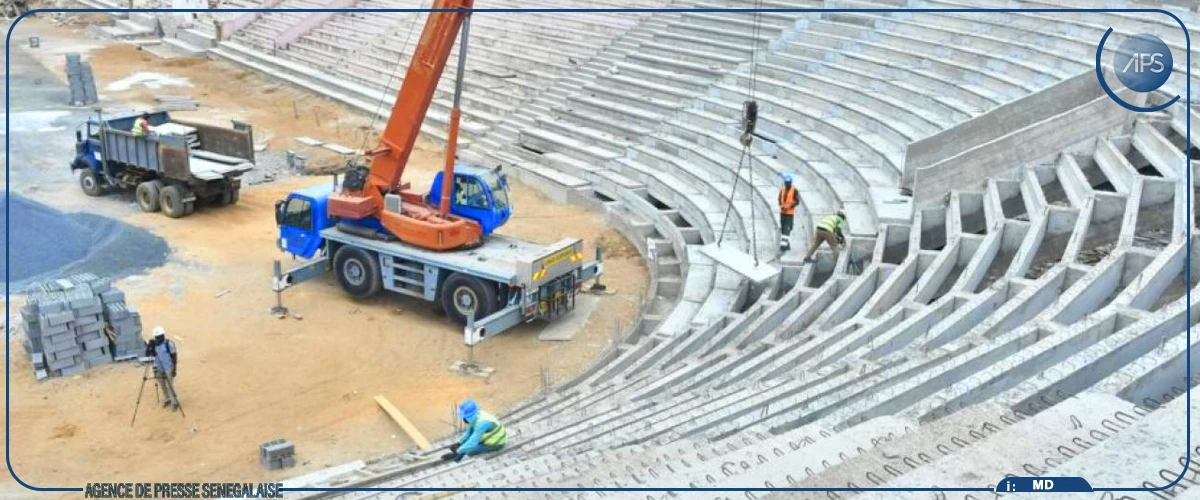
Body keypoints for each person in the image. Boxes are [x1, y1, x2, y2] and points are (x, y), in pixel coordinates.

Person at [440, 399, 507, 462]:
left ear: (469, 415)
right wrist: (460, 443)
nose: (463, 419)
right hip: (486, 439)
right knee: (465, 446)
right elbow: (469, 432)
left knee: (470, 451)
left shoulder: (482, 424)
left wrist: (458, 452)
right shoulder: (476, 415)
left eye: (464, 417)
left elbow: (472, 442)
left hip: (496, 443)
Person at [144, 326, 179, 411]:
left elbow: (174, 356)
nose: (158, 338)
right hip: (159, 368)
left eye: (160, 336)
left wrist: (174, 369)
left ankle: (175, 402)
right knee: (162, 385)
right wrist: (149, 346)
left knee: (170, 386)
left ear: (163, 335)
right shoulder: (154, 345)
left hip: (168, 368)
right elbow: (147, 354)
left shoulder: (169, 344)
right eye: (157, 337)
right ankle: (167, 399)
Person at [778, 173, 799, 250]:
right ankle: (786, 244)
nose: (787, 184)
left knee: (788, 228)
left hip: (789, 213)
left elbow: (797, 201)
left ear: (790, 183)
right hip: (783, 213)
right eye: (786, 183)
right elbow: (779, 199)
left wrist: (789, 206)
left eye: (788, 183)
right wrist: (782, 206)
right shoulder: (782, 190)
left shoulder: (794, 190)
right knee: (783, 228)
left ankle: (783, 245)